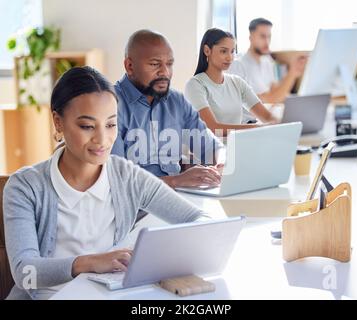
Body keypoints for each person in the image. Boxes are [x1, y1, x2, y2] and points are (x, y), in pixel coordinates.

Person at [3, 66, 211, 300]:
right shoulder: (25, 186)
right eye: (87, 126)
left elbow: (201, 222)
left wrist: (155, 258)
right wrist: (90, 263)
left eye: (111, 125)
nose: (102, 139)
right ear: (58, 122)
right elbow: (25, 273)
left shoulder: (127, 176)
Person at [111, 29, 224, 188]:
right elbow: (117, 180)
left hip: (178, 197)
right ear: (130, 66)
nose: (165, 72)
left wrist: (220, 164)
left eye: (169, 64)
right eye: (155, 64)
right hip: (135, 207)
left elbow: (211, 147)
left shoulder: (177, 102)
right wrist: (176, 181)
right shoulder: (109, 105)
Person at [185, 28, 278, 137]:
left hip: (237, 147)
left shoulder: (237, 82)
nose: (230, 57)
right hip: (209, 150)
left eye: (232, 51)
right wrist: (255, 128)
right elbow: (212, 128)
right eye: (223, 51)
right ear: (207, 50)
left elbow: (266, 117)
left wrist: (280, 123)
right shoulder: (195, 85)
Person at [228, 18, 307, 103]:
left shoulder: (267, 62)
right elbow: (261, 101)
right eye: (263, 36)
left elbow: (275, 91)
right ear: (251, 37)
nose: (267, 41)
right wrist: (292, 73)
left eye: (269, 36)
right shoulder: (238, 65)